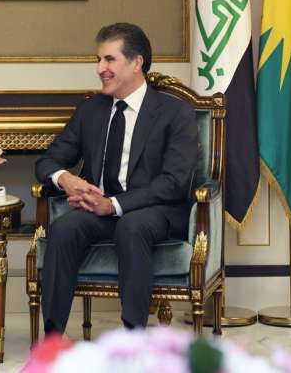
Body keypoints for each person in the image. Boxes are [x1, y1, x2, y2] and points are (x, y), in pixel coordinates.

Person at [35, 23, 197, 334]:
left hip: (156, 210)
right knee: (65, 228)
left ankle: (132, 339)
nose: (100, 69)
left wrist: (113, 204)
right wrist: (66, 179)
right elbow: (47, 162)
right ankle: (53, 339)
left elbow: (174, 182)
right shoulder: (91, 110)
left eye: (109, 59)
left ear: (137, 63)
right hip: (100, 210)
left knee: (132, 226)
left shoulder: (175, 113)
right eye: (98, 60)